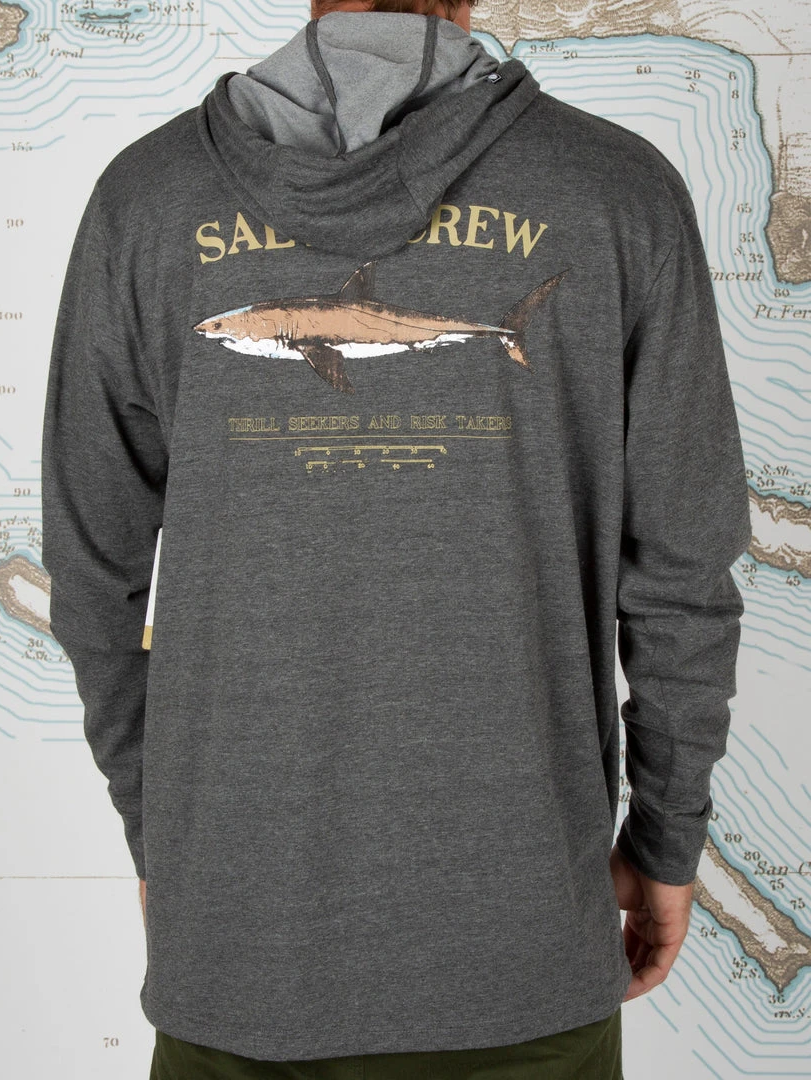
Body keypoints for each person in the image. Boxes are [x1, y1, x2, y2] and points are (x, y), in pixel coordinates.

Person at [40, 0, 753, 1075]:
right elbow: (685, 576)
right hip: (526, 952)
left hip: (237, 949)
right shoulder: (617, 188)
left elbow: (91, 576)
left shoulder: (146, 199)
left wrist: (166, 837)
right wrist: (667, 839)